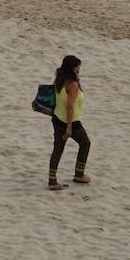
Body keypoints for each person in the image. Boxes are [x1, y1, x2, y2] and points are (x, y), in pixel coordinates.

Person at [48, 54, 91, 190]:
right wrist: (69, 128)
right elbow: (70, 106)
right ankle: (79, 174)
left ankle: (52, 180)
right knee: (85, 143)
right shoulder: (73, 84)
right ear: (73, 68)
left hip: (56, 119)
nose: (79, 68)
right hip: (70, 121)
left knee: (58, 149)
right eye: (78, 66)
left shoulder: (60, 78)